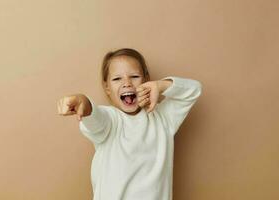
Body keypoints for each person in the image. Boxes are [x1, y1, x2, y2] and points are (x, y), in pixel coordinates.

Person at [57, 48, 202, 200]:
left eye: (134, 76)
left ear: (147, 81)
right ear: (107, 87)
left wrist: (160, 85)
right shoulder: (111, 120)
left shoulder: (163, 118)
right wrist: (84, 102)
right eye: (117, 79)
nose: (127, 83)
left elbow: (194, 90)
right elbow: (95, 118)